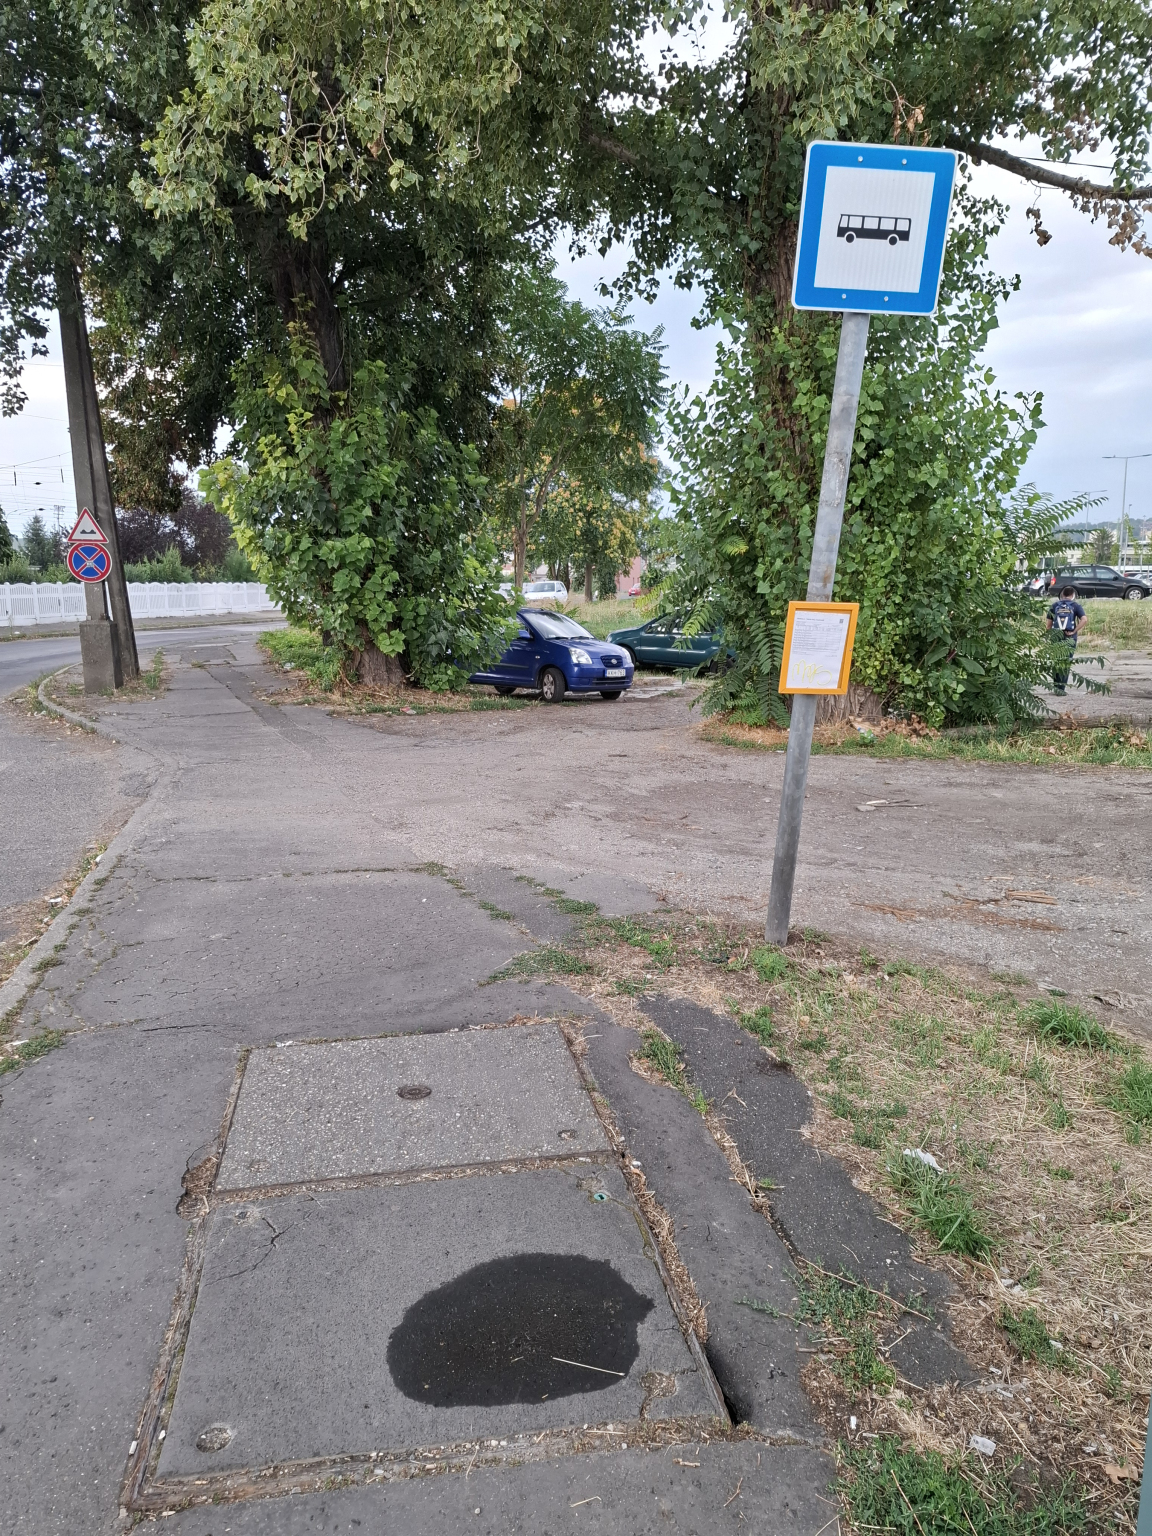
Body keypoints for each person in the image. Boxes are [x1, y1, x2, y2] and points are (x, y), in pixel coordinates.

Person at [1045, 585, 1086, 696]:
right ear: (1073, 595)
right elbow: (1084, 619)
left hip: (1056, 636)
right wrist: (1074, 631)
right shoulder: (1075, 606)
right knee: (1066, 662)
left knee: (1056, 661)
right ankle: (1062, 689)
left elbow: (1048, 625)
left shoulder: (1054, 605)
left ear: (1062, 594)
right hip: (1069, 637)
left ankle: (1056, 688)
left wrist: (1049, 637)